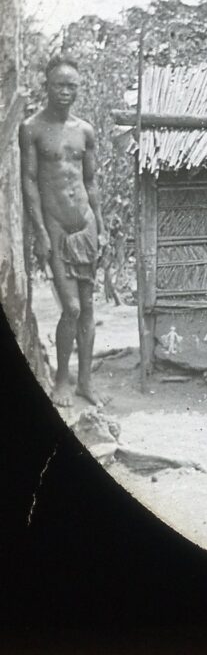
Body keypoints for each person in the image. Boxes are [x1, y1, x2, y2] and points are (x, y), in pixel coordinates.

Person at [20, 54, 108, 407]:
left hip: (85, 226)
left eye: (72, 85)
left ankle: (85, 382)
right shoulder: (32, 128)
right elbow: (28, 182)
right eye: (60, 85)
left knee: (87, 308)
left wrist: (100, 229)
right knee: (70, 307)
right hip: (55, 228)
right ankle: (61, 380)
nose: (66, 92)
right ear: (47, 86)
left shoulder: (85, 130)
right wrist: (40, 232)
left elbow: (91, 182)